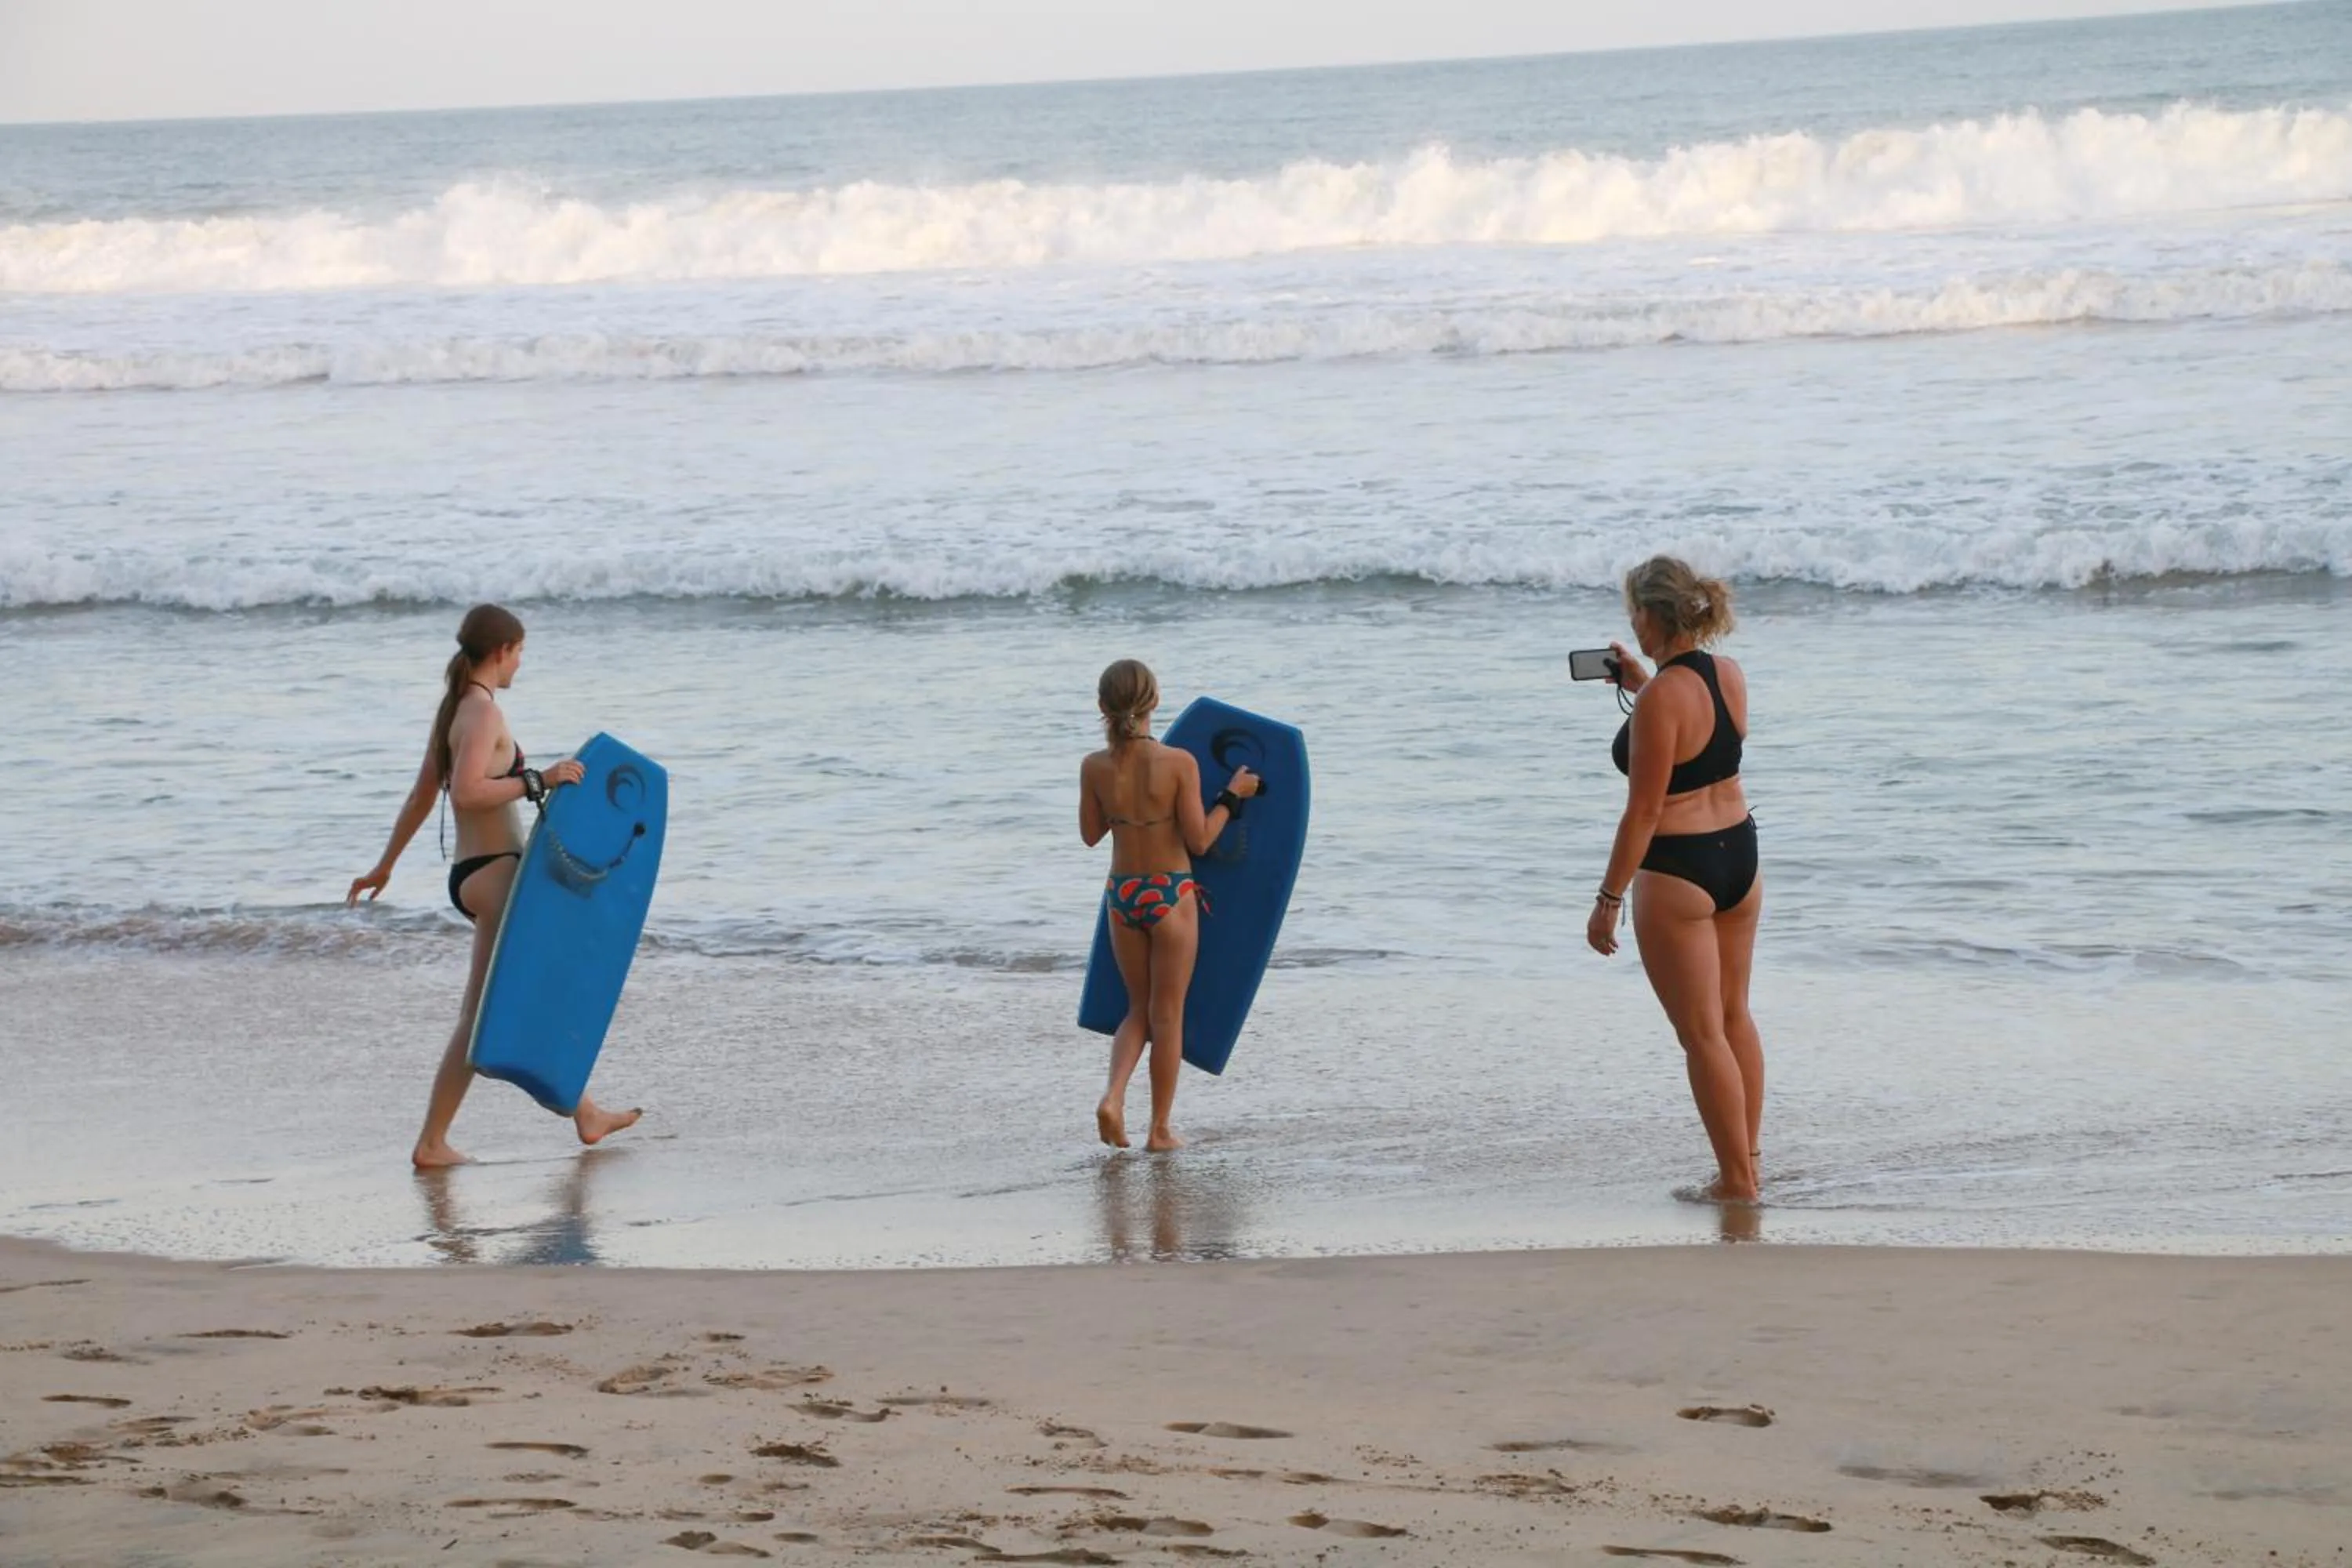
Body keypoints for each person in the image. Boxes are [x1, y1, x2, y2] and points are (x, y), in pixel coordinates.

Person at [347, 604, 641, 1168]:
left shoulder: (455, 711)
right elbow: (466, 793)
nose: (520, 663)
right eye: (520, 651)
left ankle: (556, 1117)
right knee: (526, 1000)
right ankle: (560, 1117)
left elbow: (422, 795)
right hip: (498, 877)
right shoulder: (482, 714)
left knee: (489, 1010)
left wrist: (386, 865)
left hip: (476, 875)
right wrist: (539, 779)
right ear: (502, 650)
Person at [1585, 557, 1764, 1203]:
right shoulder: (1728, 674)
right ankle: (1747, 1165)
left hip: (1680, 869)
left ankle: (1736, 1185)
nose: (1631, 623)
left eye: (1634, 611)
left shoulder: (1662, 698)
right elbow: (1700, 742)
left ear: (1654, 615)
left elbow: (1645, 811)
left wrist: (1608, 900)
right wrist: (1645, 683)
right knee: (1734, 1016)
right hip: (1739, 855)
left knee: (1701, 1034)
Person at [1080, 659, 1259, 1152]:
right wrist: (1232, 796)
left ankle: (1113, 1097)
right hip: (1170, 893)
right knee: (1167, 1014)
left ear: (1103, 706)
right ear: (1155, 702)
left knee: (1136, 1007)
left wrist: (1123, 808)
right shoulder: (1179, 763)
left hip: (1123, 895)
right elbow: (1200, 840)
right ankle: (1159, 1130)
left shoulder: (1094, 766)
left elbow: (1091, 835)